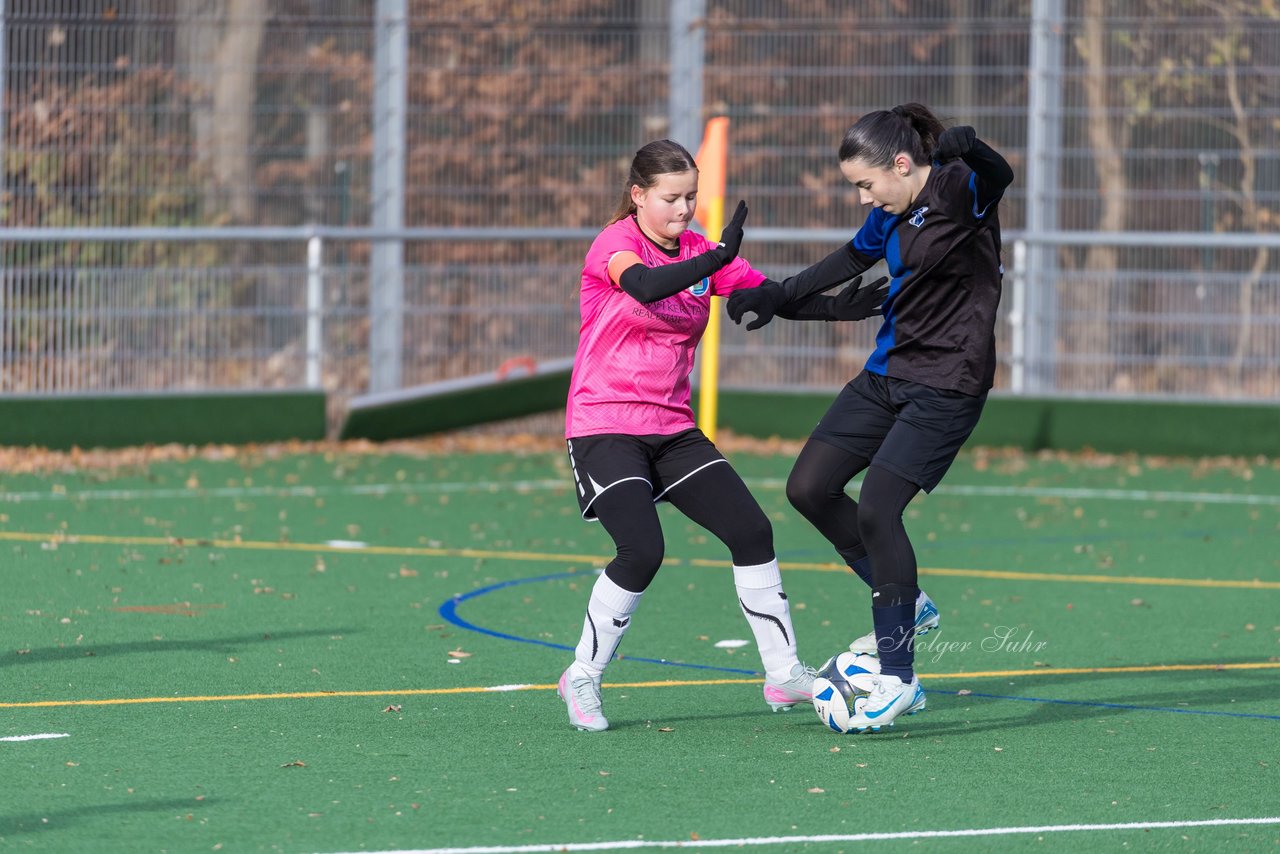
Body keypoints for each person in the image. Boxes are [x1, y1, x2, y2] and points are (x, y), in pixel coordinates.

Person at [726, 104, 1014, 732]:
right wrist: (776, 297)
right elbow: (844, 266)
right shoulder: (886, 218)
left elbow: (1000, 177)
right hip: (886, 376)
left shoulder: (958, 190)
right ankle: (908, 600)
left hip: (948, 384)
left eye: (865, 183)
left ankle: (899, 677)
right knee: (808, 487)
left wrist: (979, 149)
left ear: (903, 165)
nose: (862, 198)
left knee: (880, 508)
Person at [558, 138, 858, 732]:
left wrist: (843, 308)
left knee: (752, 531)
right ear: (639, 196)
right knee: (642, 550)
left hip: (672, 427)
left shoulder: (702, 249)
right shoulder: (615, 244)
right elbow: (645, 286)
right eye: (671, 198)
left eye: (691, 197)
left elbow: (764, 298)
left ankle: (784, 674)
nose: (684, 210)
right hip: (605, 425)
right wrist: (715, 257)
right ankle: (583, 677)